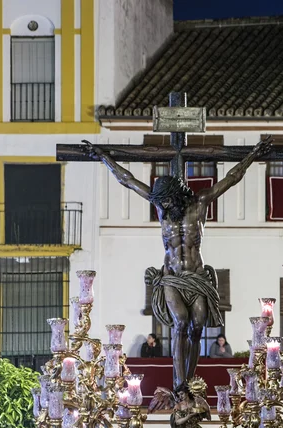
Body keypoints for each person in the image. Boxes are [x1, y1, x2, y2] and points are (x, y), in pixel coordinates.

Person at [84, 138, 271, 388]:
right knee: (181, 322)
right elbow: (127, 180)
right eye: (161, 202)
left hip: (196, 276)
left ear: (177, 195)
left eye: (167, 200)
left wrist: (253, 154)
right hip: (171, 276)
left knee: (197, 326)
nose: (164, 205)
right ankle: (179, 383)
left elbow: (232, 178)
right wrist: (103, 158)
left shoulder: (200, 202)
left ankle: (190, 379)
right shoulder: (161, 206)